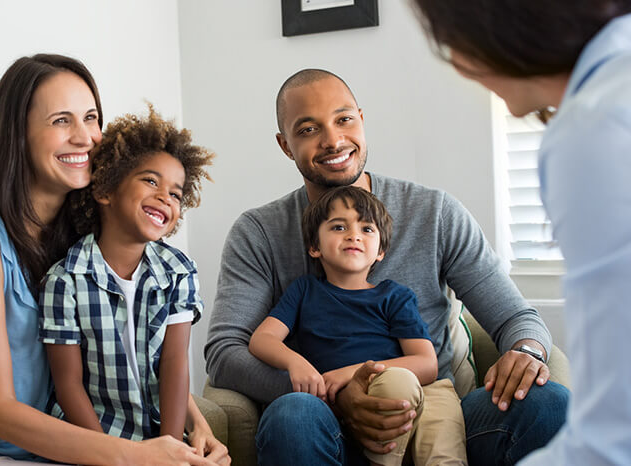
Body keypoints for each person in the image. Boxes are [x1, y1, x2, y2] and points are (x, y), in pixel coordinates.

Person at [205, 68, 569, 465]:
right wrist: (337, 396)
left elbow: (515, 316)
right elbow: (226, 352)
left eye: (343, 119)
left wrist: (526, 351)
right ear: (285, 145)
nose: (333, 140)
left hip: (431, 413)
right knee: (293, 416)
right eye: (308, 129)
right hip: (323, 422)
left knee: (549, 403)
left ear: (361, 119)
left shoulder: (434, 212)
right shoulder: (259, 232)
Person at [0, 54, 228, 466]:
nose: (86, 137)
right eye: (62, 121)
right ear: (18, 134)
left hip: (59, 450)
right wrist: (132, 456)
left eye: (91, 118)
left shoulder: (85, 235)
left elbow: (136, 351)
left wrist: (195, 424)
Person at [410, 1, 631, 464]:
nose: (454, 63)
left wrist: (527, 347)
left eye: (449, 37)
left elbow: (613, 433)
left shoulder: (593, 129)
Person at [249, 185, 467, 466]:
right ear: (314, 247)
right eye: (339, 227)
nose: (354, 235)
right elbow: (262, 339)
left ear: (381, 252)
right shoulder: (304, 291)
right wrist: (295, 362)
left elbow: (426, 364)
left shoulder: (394, 296)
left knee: (439, 444)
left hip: (413, 392)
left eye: (367, 229)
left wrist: (350, 373)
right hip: (340, 417)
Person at [39, 106, 214, 443]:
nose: (165, 196)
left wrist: (171, 447)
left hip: (158, 438)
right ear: (106, 190)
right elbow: (68, 386)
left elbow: (175, 367)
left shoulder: (178, 272)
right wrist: (109, 455)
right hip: (94, 440)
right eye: (151, 180)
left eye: (176, 193)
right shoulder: (64, 282)